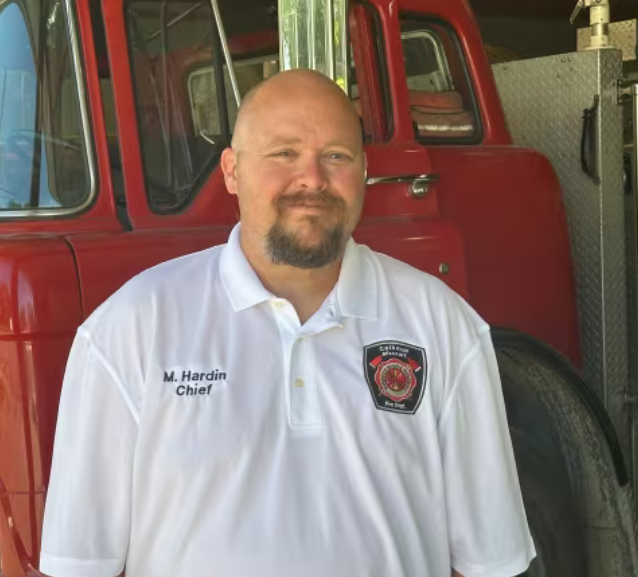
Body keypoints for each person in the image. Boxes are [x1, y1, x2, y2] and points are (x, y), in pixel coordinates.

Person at [39, 69, 535, 577]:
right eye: (284, 153)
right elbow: (81, 564)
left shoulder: (441, 323)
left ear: (364, 171)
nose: (313, 179)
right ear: (232, 171)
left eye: (336, 156)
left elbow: (488, 561)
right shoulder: (132, 326)